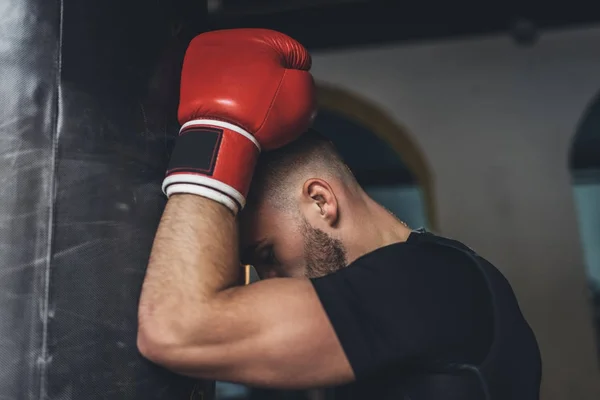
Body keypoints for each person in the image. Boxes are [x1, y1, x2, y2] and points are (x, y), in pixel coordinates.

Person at [137, 28, 542, 399]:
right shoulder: (415, 290)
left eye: (268, 255)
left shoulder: (429, 280)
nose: (266, 281)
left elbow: (175, 329)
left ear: (320, 201)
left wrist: (216, 133)